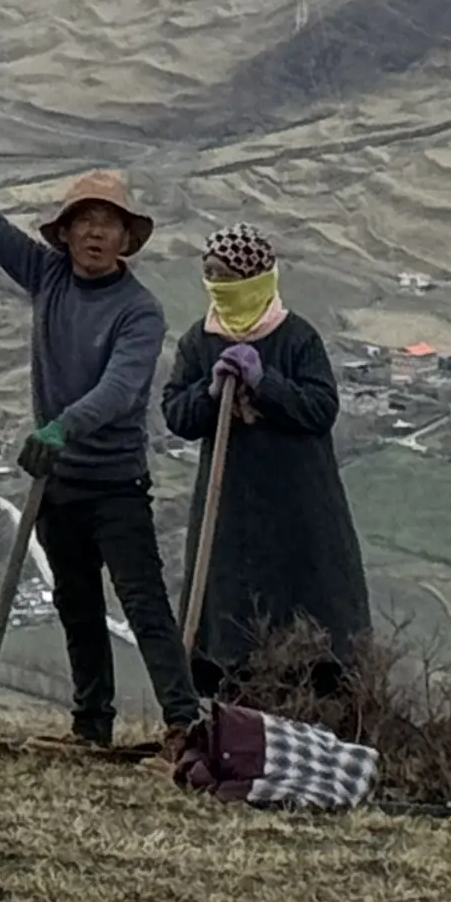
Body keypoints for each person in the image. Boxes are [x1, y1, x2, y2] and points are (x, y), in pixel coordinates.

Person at [0, 81, 204, 751]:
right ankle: (91, 727)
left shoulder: (140, 311)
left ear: (126, 238)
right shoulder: (47, 276)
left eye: (107, 223)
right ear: (67, 231)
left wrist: (62, 427)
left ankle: (184, 725)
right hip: (57, 484)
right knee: (76, 605)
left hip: (112, 483)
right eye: (84, 221)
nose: (94, 233)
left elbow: (119, 390)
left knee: (143, 606)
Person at [162, 223, 373, 705]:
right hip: (229, 505)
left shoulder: (297, 339)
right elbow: (176, 414)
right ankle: (228, 709)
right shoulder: (199, 342)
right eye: (209, 274)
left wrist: (267, 382)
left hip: (300, 502)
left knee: (307, 596)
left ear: (254, 277)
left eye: (226, 274)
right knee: (230, 601)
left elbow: (321, 408)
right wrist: (209, 391)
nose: (217, 284)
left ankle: (318, 705)